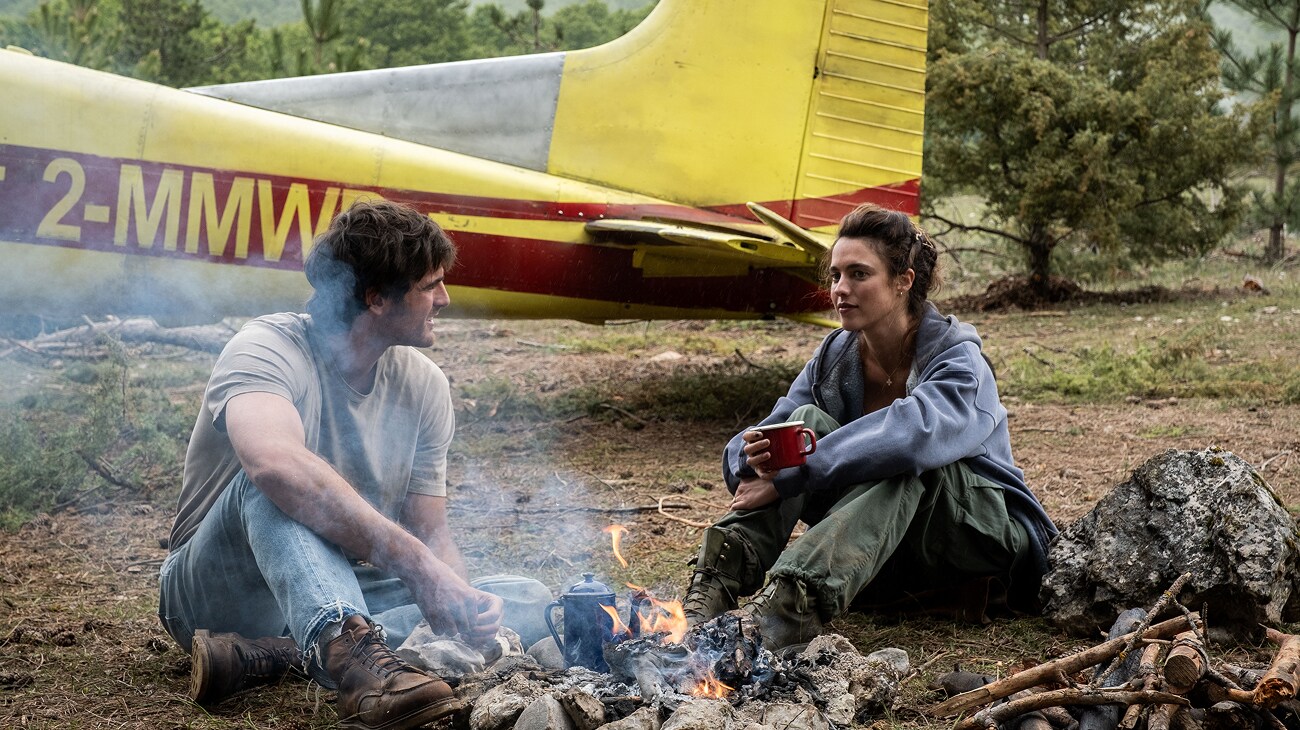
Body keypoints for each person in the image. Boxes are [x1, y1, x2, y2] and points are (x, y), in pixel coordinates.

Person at [158, 200, 505, 730]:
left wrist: (460, 604)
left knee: (521, 595)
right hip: (213, 591)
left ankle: (273, 653)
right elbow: (274, 467)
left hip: (334, 583)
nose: (445, 299)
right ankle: (363, 671)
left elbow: (430, 532)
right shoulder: (266, 348)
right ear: (376, 298)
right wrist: (419, 567)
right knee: (274, 484)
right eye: (430, 286)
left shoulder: (424, 385)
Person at [682, 203, 1058, 649]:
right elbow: (774, 427)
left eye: (859, 274)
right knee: (804, 424)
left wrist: (791, 477)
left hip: (981, 539)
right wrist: (752, 460)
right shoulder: (835, 356)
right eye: (836, 275)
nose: (841, 289)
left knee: (903, 460)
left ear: (903, 281)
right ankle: (712, 587)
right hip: (893, 543)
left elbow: (912, 439)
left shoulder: (959, 361)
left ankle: (787, 610)